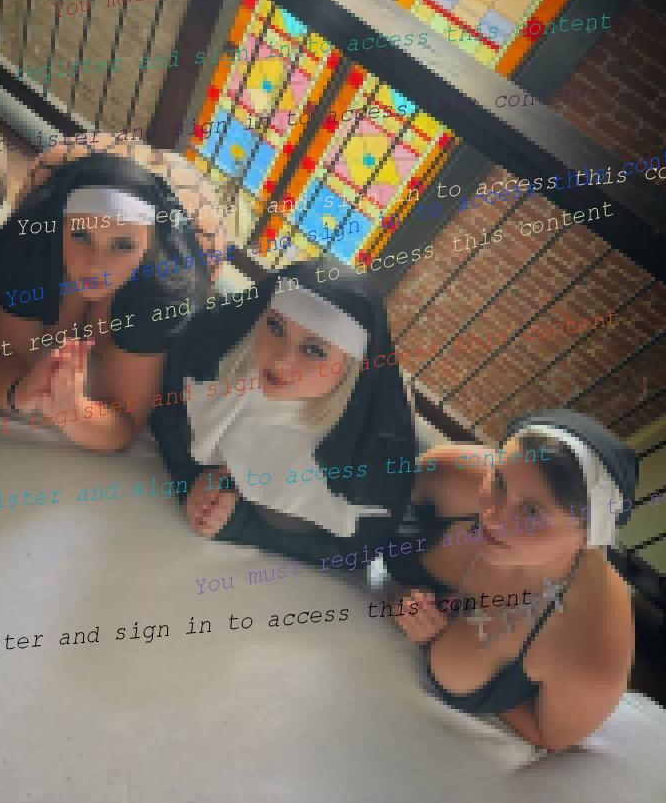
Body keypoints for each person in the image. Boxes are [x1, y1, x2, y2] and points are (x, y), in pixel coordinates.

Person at [377, 409, 636, 751]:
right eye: (499, 481)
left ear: (589, 537)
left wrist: (439, 641)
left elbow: (549, 735)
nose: (493, 518)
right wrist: (396, 591)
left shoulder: (590, 654)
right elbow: (369, 505)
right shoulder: (450, 472)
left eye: (531, 512)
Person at [150, 259, 417, 561]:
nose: (280, 361)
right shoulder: (215, 366)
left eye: (314, 350)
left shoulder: (372, 450)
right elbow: (163, 414)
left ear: (351, 368)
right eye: (276, 327)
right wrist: (190, 480)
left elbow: (358, 550)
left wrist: (241, 526)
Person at [0, 137, 227, 452]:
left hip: (189, 214)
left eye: (123, 245)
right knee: (49, 167)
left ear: (149, 247)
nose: (96, 265)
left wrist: (74, 413)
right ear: (59, 228)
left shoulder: (160, 294)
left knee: (202, 224)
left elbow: (124, 422)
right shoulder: (30, 253)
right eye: (81, 236)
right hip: (67, 169)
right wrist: (19, 392)